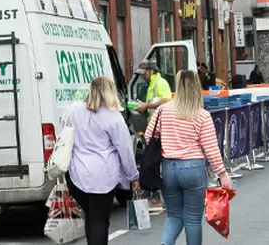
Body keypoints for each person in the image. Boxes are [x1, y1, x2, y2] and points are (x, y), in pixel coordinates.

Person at [145, 70, 233, 245]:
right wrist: (222, 174)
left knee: (174, 215)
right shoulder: (201, 115)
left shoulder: (163, 111)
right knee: (193, 219)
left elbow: (149, 136)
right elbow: (211, 148)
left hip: (168, 168)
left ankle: (165, 243)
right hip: (193, 168)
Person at [63, 77, 138, 245]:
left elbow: (65, 136)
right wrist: (133, 175)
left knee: (90, 217)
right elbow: (124, 149)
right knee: (99, 221)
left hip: (76, 175)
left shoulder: (73, 110)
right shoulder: (113, 117)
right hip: (103, 176)